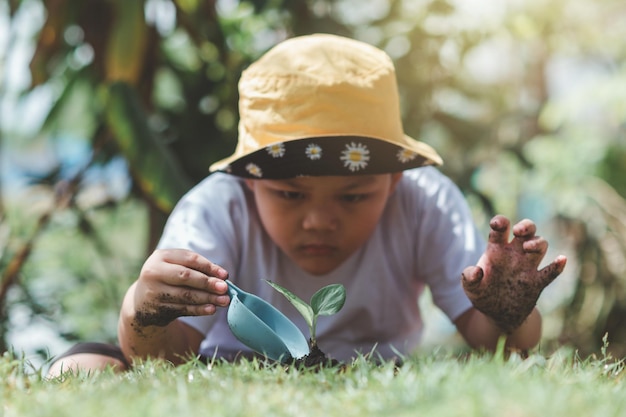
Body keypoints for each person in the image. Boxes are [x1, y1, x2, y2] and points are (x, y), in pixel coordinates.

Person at [47, 33, 567, 376]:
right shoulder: (216, 209)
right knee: (80, 370)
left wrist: (507, 313)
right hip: (220, 370)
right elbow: (159, 359)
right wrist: (143, 310)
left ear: (393, 182)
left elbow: (500, 345)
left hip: (377, 374)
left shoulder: (424, 201)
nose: (319, 219)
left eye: (354, 195)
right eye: (290, 193)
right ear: (249, 183)